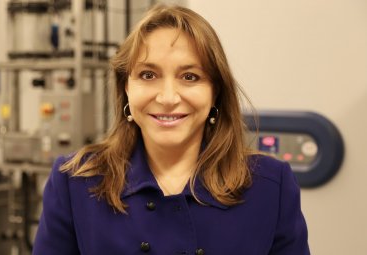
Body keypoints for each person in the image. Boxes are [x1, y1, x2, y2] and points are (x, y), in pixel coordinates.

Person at [33, 4, 310, 255]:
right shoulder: (74, 184)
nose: (167, 98)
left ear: (215, 92)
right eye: (148, 75)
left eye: (190, 77)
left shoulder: (270, 187)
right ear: (126, 88)